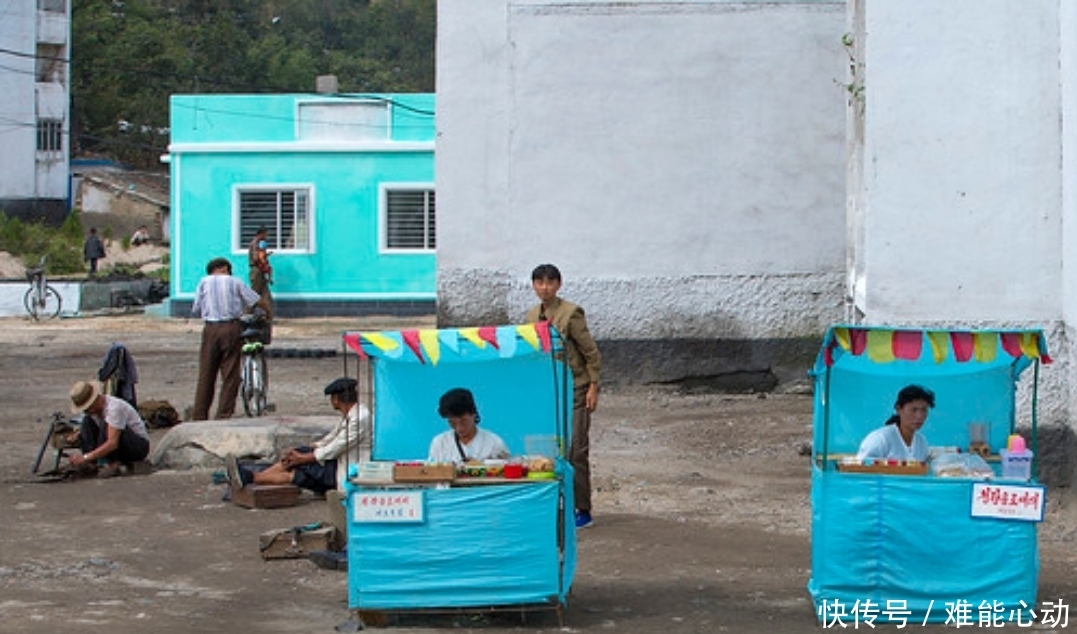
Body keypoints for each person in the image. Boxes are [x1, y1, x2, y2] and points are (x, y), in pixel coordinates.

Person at [525, 263, 601, 528]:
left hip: (576, 387)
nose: (544, 288)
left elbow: (590, 352)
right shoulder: (532, 315)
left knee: (576, 449)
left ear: (558, 285)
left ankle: (583, 508)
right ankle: (559, 503)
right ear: (533, 285)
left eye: (549, 282)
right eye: (539, 282)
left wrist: (594, 385)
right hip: (550, 390)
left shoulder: (571, 314)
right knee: (550, 449)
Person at [226, 377, 372, 494]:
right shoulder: (352, 414)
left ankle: (249, 477)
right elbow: (331, 437)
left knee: (300, 464)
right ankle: (251, 477)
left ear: (336, 399)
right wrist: (309, 448)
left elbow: (336, 447)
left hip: (347, 470)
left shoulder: (359, 418)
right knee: (298, 469)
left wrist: (303, 457)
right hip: (337, 463)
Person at [190, 257, 261, 421]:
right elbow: (255, 300)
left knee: (206, 373)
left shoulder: (203, 282)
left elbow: (196, 307)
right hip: (231, 328)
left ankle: (199, 415)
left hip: (210, 329)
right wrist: (265, 313)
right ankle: (223, 415)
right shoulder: (234, 281)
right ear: (223, 268)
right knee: (230, 374)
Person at [67, 380, 150, 478]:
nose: (87, 411)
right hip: (116, 442)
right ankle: (92, 463)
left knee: (106, 424)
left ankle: (110, 463)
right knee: (87, 422)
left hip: (137, 446)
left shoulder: (114, 408)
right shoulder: (92, 414)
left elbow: (112, 443)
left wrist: (85, 457)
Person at [428, 387, 510, 463]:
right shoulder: (439, 443)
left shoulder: (494, 443)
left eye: (463, 421)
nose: (459, 428)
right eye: (452, 422)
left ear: (474, 414)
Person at [856, 384, 935, 462]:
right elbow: (861, 467)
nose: (919, 416)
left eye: (924, 410)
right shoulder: (880, 439)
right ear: (898, 409)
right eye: (914, 410)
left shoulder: (921, 442)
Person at [247, 227, 274, 333]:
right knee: (254, 294)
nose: (266, 236)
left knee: (266, 295)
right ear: (261, 234)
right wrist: (264, 260)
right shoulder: (257, 243)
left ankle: (269, 315)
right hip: (257, 271)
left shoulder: (256, 243)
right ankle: (247, 314)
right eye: (265, 234)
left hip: (260, 271)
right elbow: (256, 258)